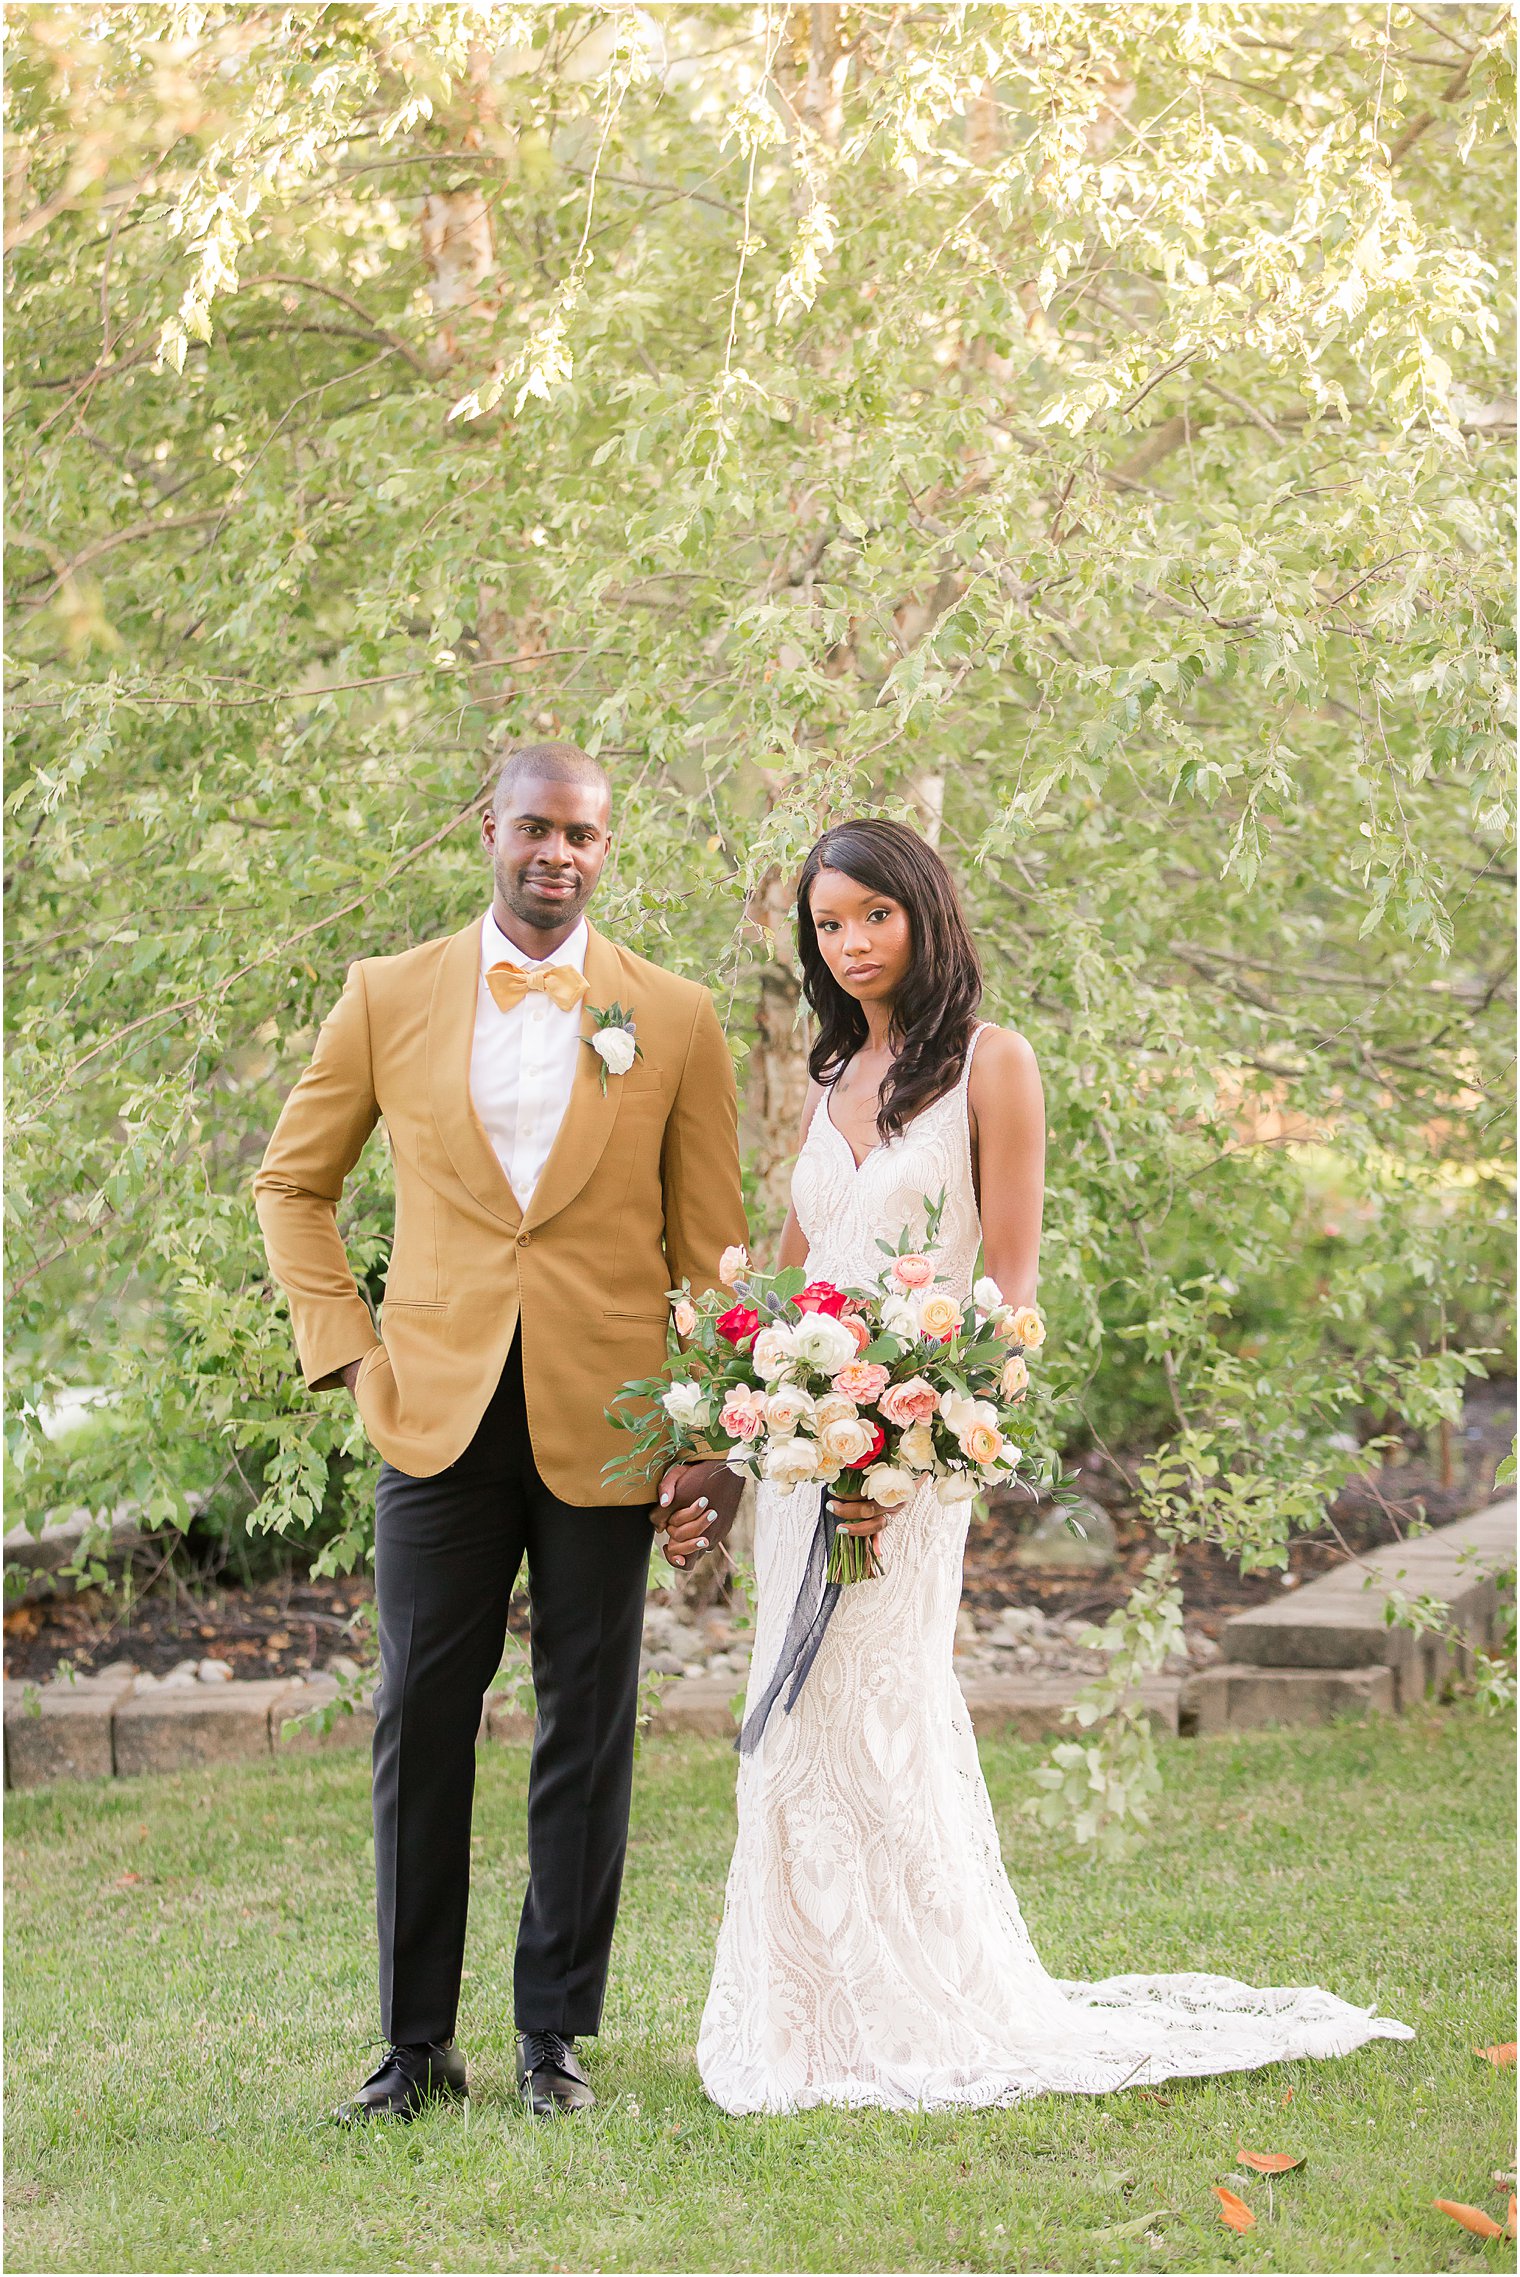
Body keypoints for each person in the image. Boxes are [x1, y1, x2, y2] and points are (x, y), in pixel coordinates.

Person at [696, 816, 1413, 2114]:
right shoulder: (831, 1074)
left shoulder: (993, 1065)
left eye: (874, 914)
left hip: (916, 1445)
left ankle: (919, 1992)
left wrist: (908, 1446)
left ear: (925, 912)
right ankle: (806, 2009)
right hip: (804, 1459)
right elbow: (794, 1269)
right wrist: (758, 1410)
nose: (850, 942)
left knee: (881, 1699)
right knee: (792, 1714)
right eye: (827, 923)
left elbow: (1006, 1298)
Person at [254, 743, 746, 2123]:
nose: (560, 854)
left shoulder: (678, 1015)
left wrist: (711, 1424)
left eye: (583, 834)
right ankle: (415, 2042)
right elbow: (293, 1183)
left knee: (588, 1721)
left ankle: (552, 2032)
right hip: (435, 1413)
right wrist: (346, 1347)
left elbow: (712, 1244)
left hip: (613, 1419)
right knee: (420, 1713)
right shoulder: (385, 995)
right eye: (536, 827)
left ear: (606, 842)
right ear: (490, 826)